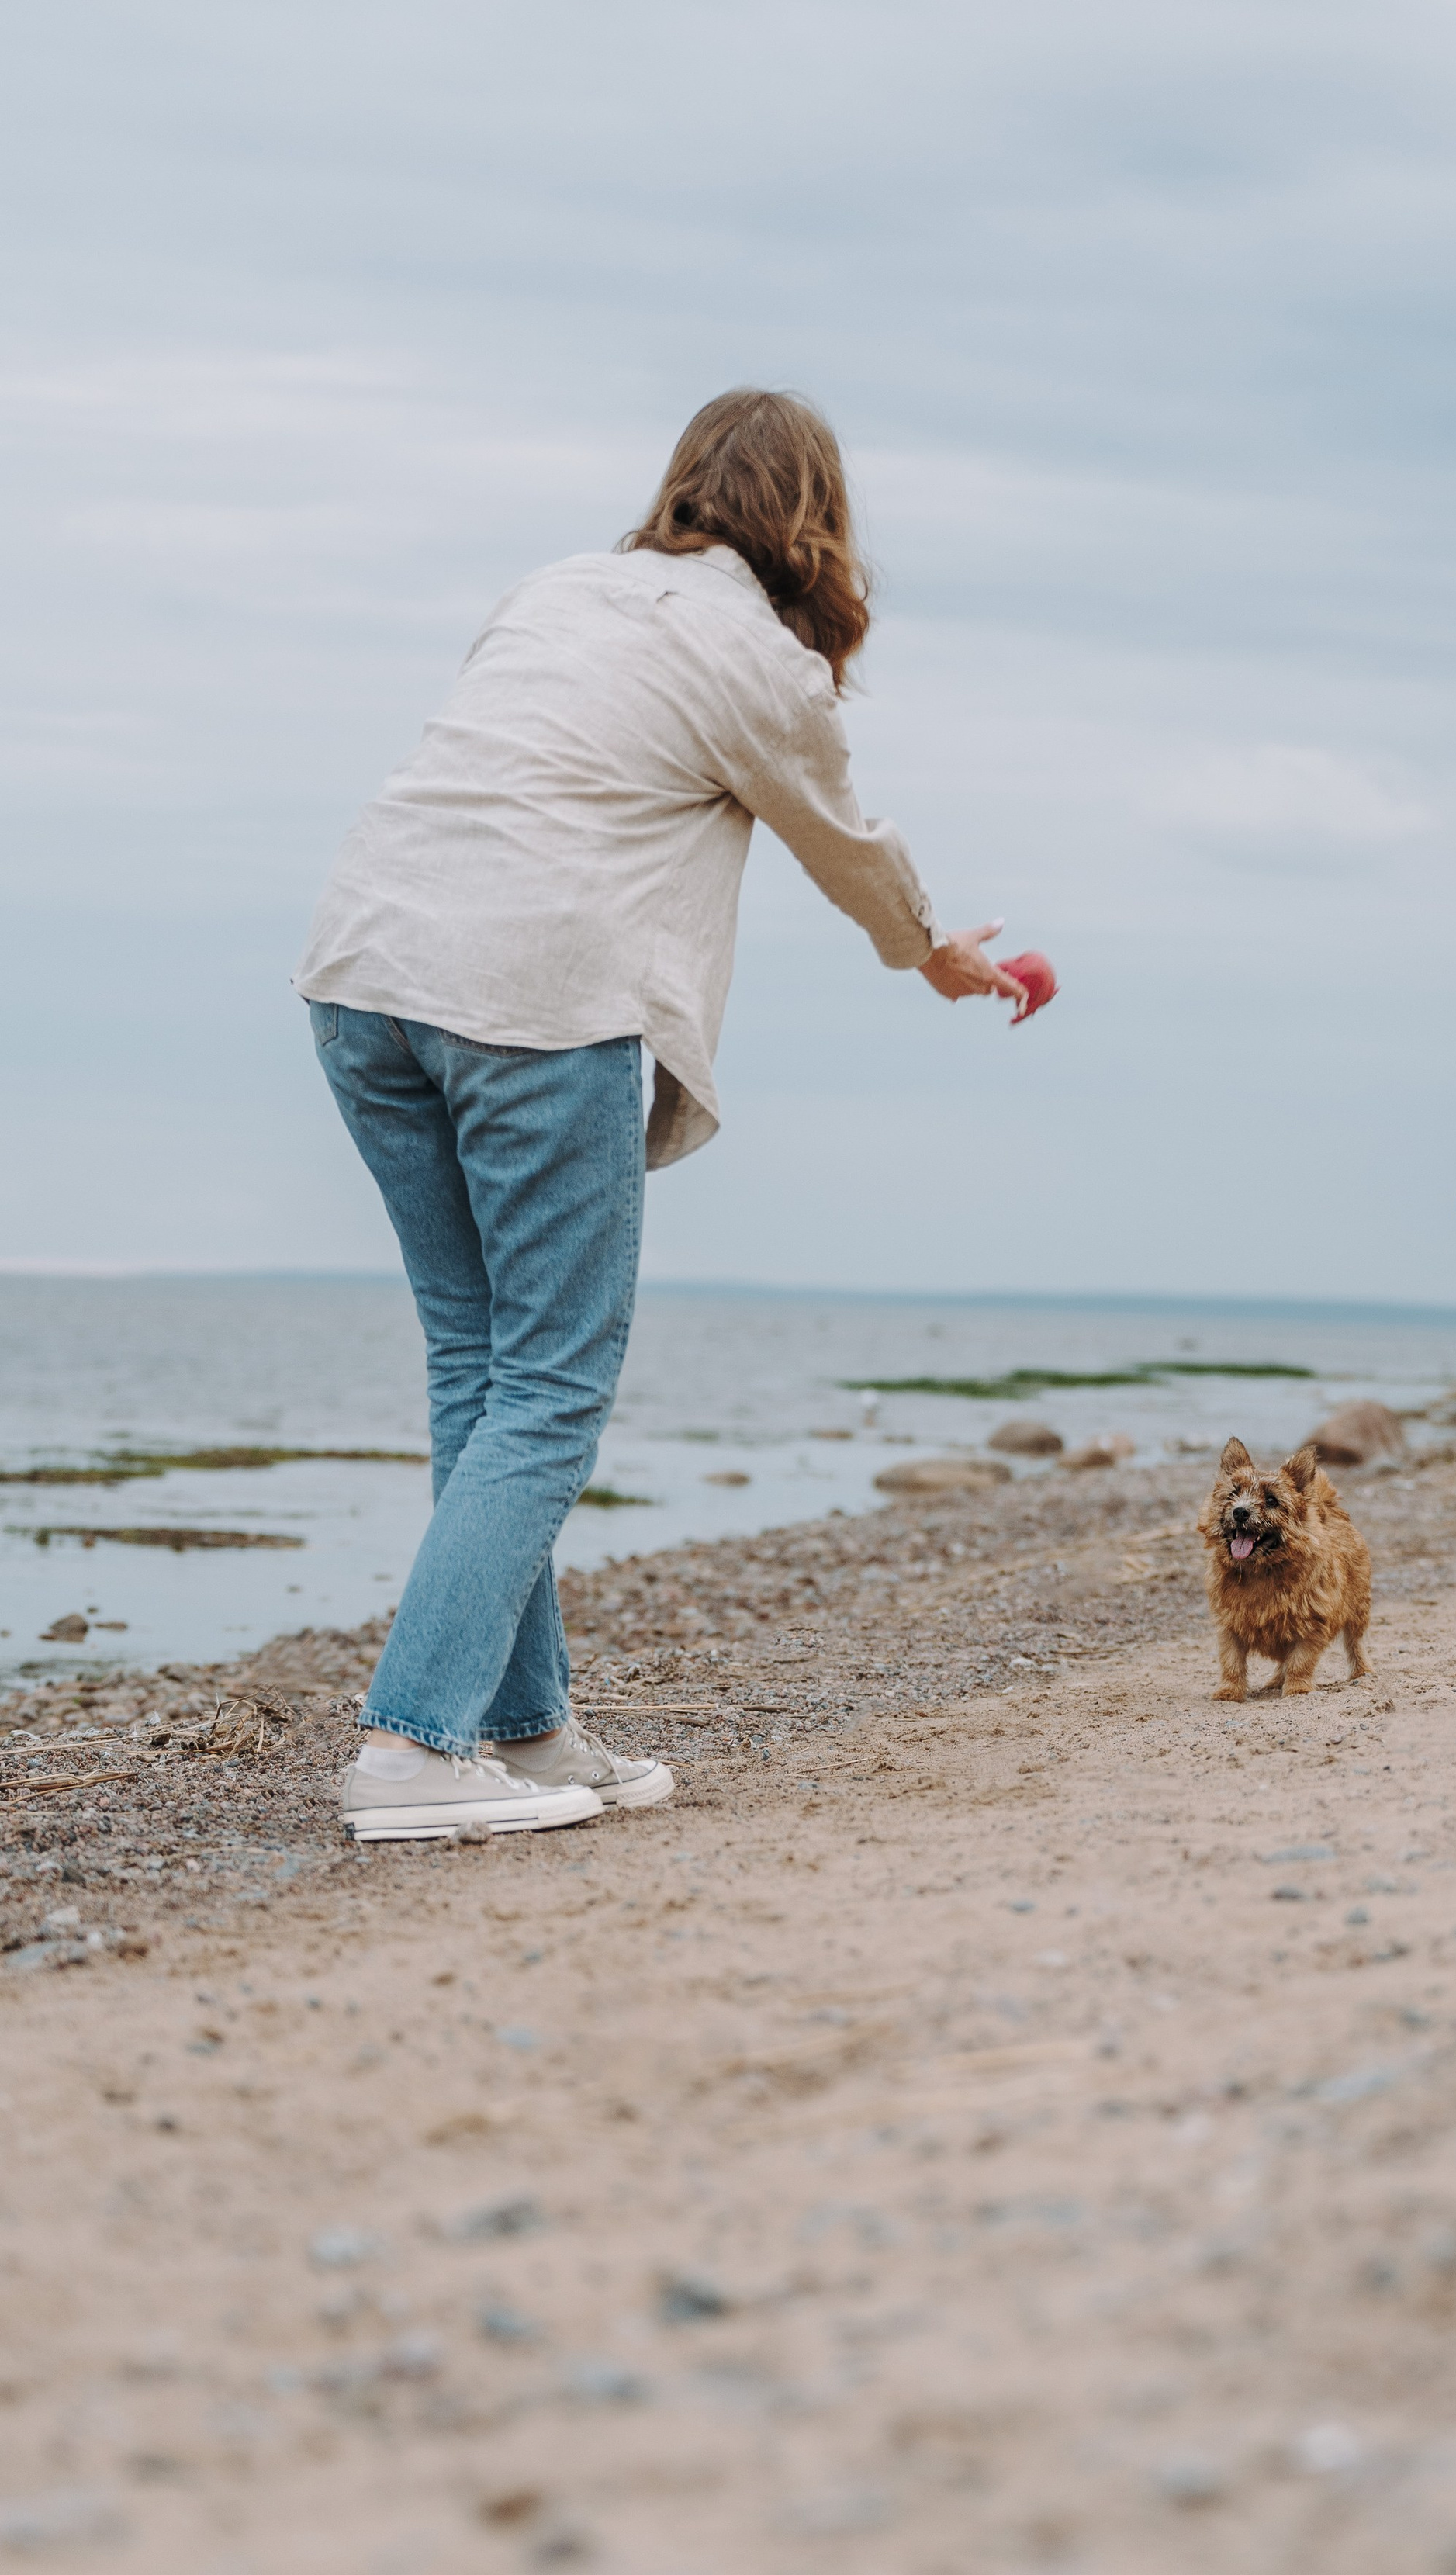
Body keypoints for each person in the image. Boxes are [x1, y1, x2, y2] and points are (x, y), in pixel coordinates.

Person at [296, 389, 1022, 1840]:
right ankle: (408, 1745)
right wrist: (935, 952)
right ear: (813, 519)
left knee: (481, 1363)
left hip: (363, 972)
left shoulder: (556, 585)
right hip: (534, 995)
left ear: (689, 486)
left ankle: (528, 1730)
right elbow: (847, 841)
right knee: (552, 1384)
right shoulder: (760, 661)